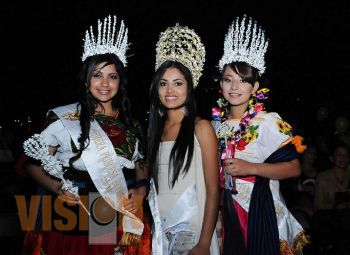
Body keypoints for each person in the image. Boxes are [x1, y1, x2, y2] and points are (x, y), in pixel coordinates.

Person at [22, 15, 150, 255]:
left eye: (112, 76)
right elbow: (32, 166)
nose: (104, 83)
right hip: (76, 212)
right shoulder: (62, 119)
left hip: (121, 212)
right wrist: (57, 187)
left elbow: (141, 165)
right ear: (86, 79)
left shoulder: (131, 124)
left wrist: (142, 188)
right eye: (97, 75)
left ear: (120, 81)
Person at [212, 15, 308, 255]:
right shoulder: (215, 125)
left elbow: (294, 168)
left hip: (259, 212)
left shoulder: (267, 121)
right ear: (221, 85)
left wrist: (250, 168)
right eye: (228, 80)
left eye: (243, 81)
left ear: (255, 87)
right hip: (226, 211)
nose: (234, 87)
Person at [147, 24, 220, 254]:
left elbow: (213, 189)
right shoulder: (155, 131)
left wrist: (205, 243)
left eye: (178, 83)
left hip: (191, 230)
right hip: (160, 230)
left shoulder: (201, 127)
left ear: (189, 87)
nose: (170, 90)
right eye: (163, 83)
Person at [314, 141, 350, 210]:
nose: (343, 158)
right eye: (339, 155)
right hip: (330, 217)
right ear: (332, 158)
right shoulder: (322, 177)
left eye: (346, 155)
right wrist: (334, 206)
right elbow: (317, 205)